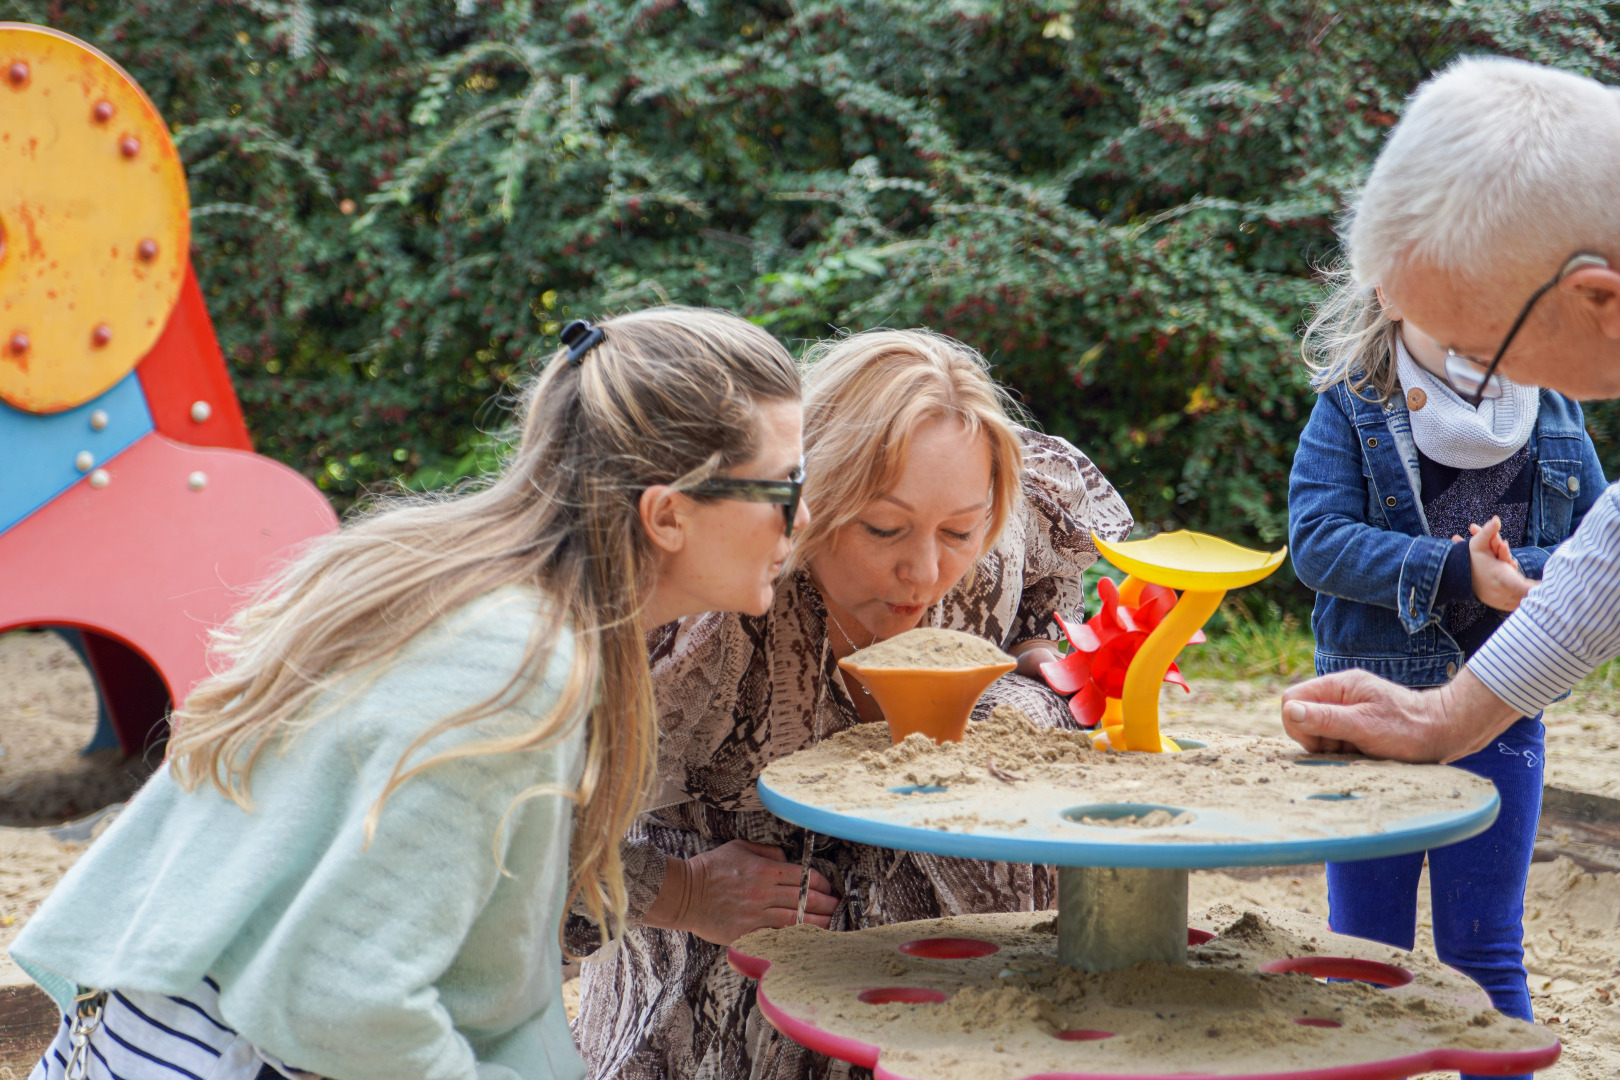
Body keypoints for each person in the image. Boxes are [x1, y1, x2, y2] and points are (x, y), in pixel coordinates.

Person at [9, 307, 807, 1080]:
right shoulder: (513, 669)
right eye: (784, 490)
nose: (799, 523)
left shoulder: (466, 588)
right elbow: (344, 1003)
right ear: (667, 515)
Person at [572, 328, 1133, 1080]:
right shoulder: (710, 621)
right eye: (883, 528)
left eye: (960, 531)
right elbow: (530, 833)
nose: (925, 570)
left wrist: (1044, 654)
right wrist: (684, 892)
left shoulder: (1002, 518)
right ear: (807, 499)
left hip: (964, 996)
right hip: (729, 982)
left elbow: (1049, 585)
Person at [1288, 254, 1605, 1051]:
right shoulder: (1350, 406)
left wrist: (1511, 576)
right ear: (1388, 293)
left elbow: (1594, 553)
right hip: (1367, 720)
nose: (1478, 335)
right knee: (1363, 954)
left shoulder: (1558, 414)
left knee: (1484, 952)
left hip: (1503, 714)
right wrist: (1457, 569)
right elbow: (1317, 542)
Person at [1279, 57, 1620, 764]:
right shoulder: (1351, 403)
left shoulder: (1549, 415)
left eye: (1476, 350)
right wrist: (1445, 718)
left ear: (1598, 299)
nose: (1471, 379)